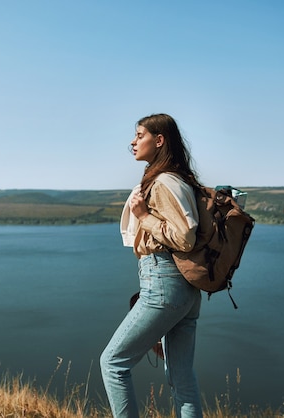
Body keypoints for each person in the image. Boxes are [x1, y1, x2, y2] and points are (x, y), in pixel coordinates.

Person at [100, 113, 203, 418]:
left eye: (140, 135)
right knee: (182, 379)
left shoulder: (162, 182)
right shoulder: (180, 178)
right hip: (185, 289)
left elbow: (185, 237)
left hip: (164, 285)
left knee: (113, 363)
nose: (133, 142)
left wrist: (144, 216)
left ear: (159, 141)